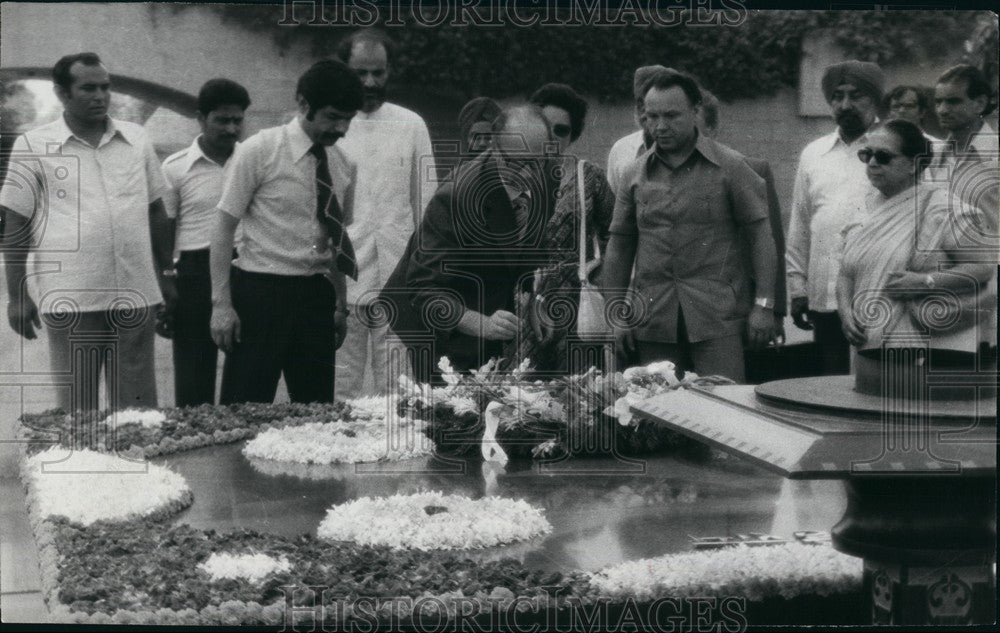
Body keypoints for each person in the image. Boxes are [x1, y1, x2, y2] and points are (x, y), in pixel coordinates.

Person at [0, 52, 173, 413]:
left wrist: (167, 273)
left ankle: (136, 466)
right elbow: (17, 223)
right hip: (72, 295)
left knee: (138, 414)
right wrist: (17, 296)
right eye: (88, 88)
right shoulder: (33, 147)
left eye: (105, 87)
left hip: (135, 291)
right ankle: (82, 469)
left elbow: (157, 210)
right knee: (78, 411)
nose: (100, 96)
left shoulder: (136, 139)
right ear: (63, 94)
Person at [601, 70, 777, 383]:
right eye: (651, 116)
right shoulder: (634, 173)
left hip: (716, 319)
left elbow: (761, 236)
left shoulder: (731, 166)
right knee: (655, 413)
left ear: (695, 111)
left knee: (723, 410)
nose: (660, 126)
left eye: (671, 116)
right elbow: (619, 246)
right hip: (653, 319)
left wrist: (764, 305)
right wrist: (616, 313)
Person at [209, 59, 362, 405]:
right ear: (304, 104)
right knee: (243, 409)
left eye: (348, 119)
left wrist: (340, 305)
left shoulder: (344, 164)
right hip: (261, 294)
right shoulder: (258, 151)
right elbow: (222, 228)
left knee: (316, 413)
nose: (341, 128)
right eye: (333, 116)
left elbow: (337, 240)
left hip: (314, 297)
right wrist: (221, 305)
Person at [382, 106, 560, 384]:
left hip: (491, 316)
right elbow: (423, 288)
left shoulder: (547, 176)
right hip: (435, 329)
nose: (527, 174)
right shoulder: (456, 196)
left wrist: (534, 305)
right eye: (516, 163)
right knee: (451, 417)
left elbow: (526, 258)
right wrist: (482, 324)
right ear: (494, 148)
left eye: (535, 163)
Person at [836, 119, 995, 376]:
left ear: (913, 164)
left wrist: (925, 281)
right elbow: (845, 272)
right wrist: (845, 314)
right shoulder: (860, 209)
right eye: (866, 155)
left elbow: (983, 267)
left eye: (884, 156)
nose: (873, 163)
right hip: (864, 337)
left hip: (924, 342)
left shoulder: (940, 208)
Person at [334, 29, 436, 398]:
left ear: (390, 71)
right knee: (339, 388)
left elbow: (426, 204)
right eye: (360, 73)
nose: (370, 81)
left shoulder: (411, 126)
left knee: (398, 392)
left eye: (378, 72)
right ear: (344, 71)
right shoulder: (331, 126)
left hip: (399, 280)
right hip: (342, 282)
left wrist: (423, 273)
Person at [490, 83, 615, 375]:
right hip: (522, 299)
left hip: (576, 301)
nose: (553, 138)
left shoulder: (589, 176)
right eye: (547, 127)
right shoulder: (508, 175)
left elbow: (615, 236)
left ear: (574, 134)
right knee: (520, 390)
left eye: (562, 130)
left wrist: (600, 275)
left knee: (577, 390)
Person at [786, 60, 884, 376]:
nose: (845, 105)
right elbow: (801, 224)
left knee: (875, 388)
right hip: (825, 298)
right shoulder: (814, 154)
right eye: (837, 97)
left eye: (856, 96)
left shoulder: (895, 149)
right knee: (830, 386)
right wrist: (798, 288)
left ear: (875, 99)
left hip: (879, 295)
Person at [161, 78, 250, 407]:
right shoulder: (175, 168)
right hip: (194, 273)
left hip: (245, 267)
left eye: (237, 120)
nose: (230, 129)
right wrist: (166, 283)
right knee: (193, 371)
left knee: (245, 371)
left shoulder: (253, 161)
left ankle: (236, 450)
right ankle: (194, 447)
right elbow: (164, 232)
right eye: (222, 120)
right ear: (201, 117)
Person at [697, 89, 787, 336]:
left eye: (696, 130)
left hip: (739, 304)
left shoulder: (751, 170)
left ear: (713, 129)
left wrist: (773, 310)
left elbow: (772, 240)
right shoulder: (650, 175)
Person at [931, 64, 999, 235]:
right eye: (938, 102)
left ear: (980, 103)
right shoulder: (932, 156)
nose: (942, 110)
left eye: (953, 101)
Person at [606, 65, 672, 196]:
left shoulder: (686, 148)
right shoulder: (621, 148)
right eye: (640, 104)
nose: (645, 113)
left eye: (653, 103)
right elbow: (611, 204)